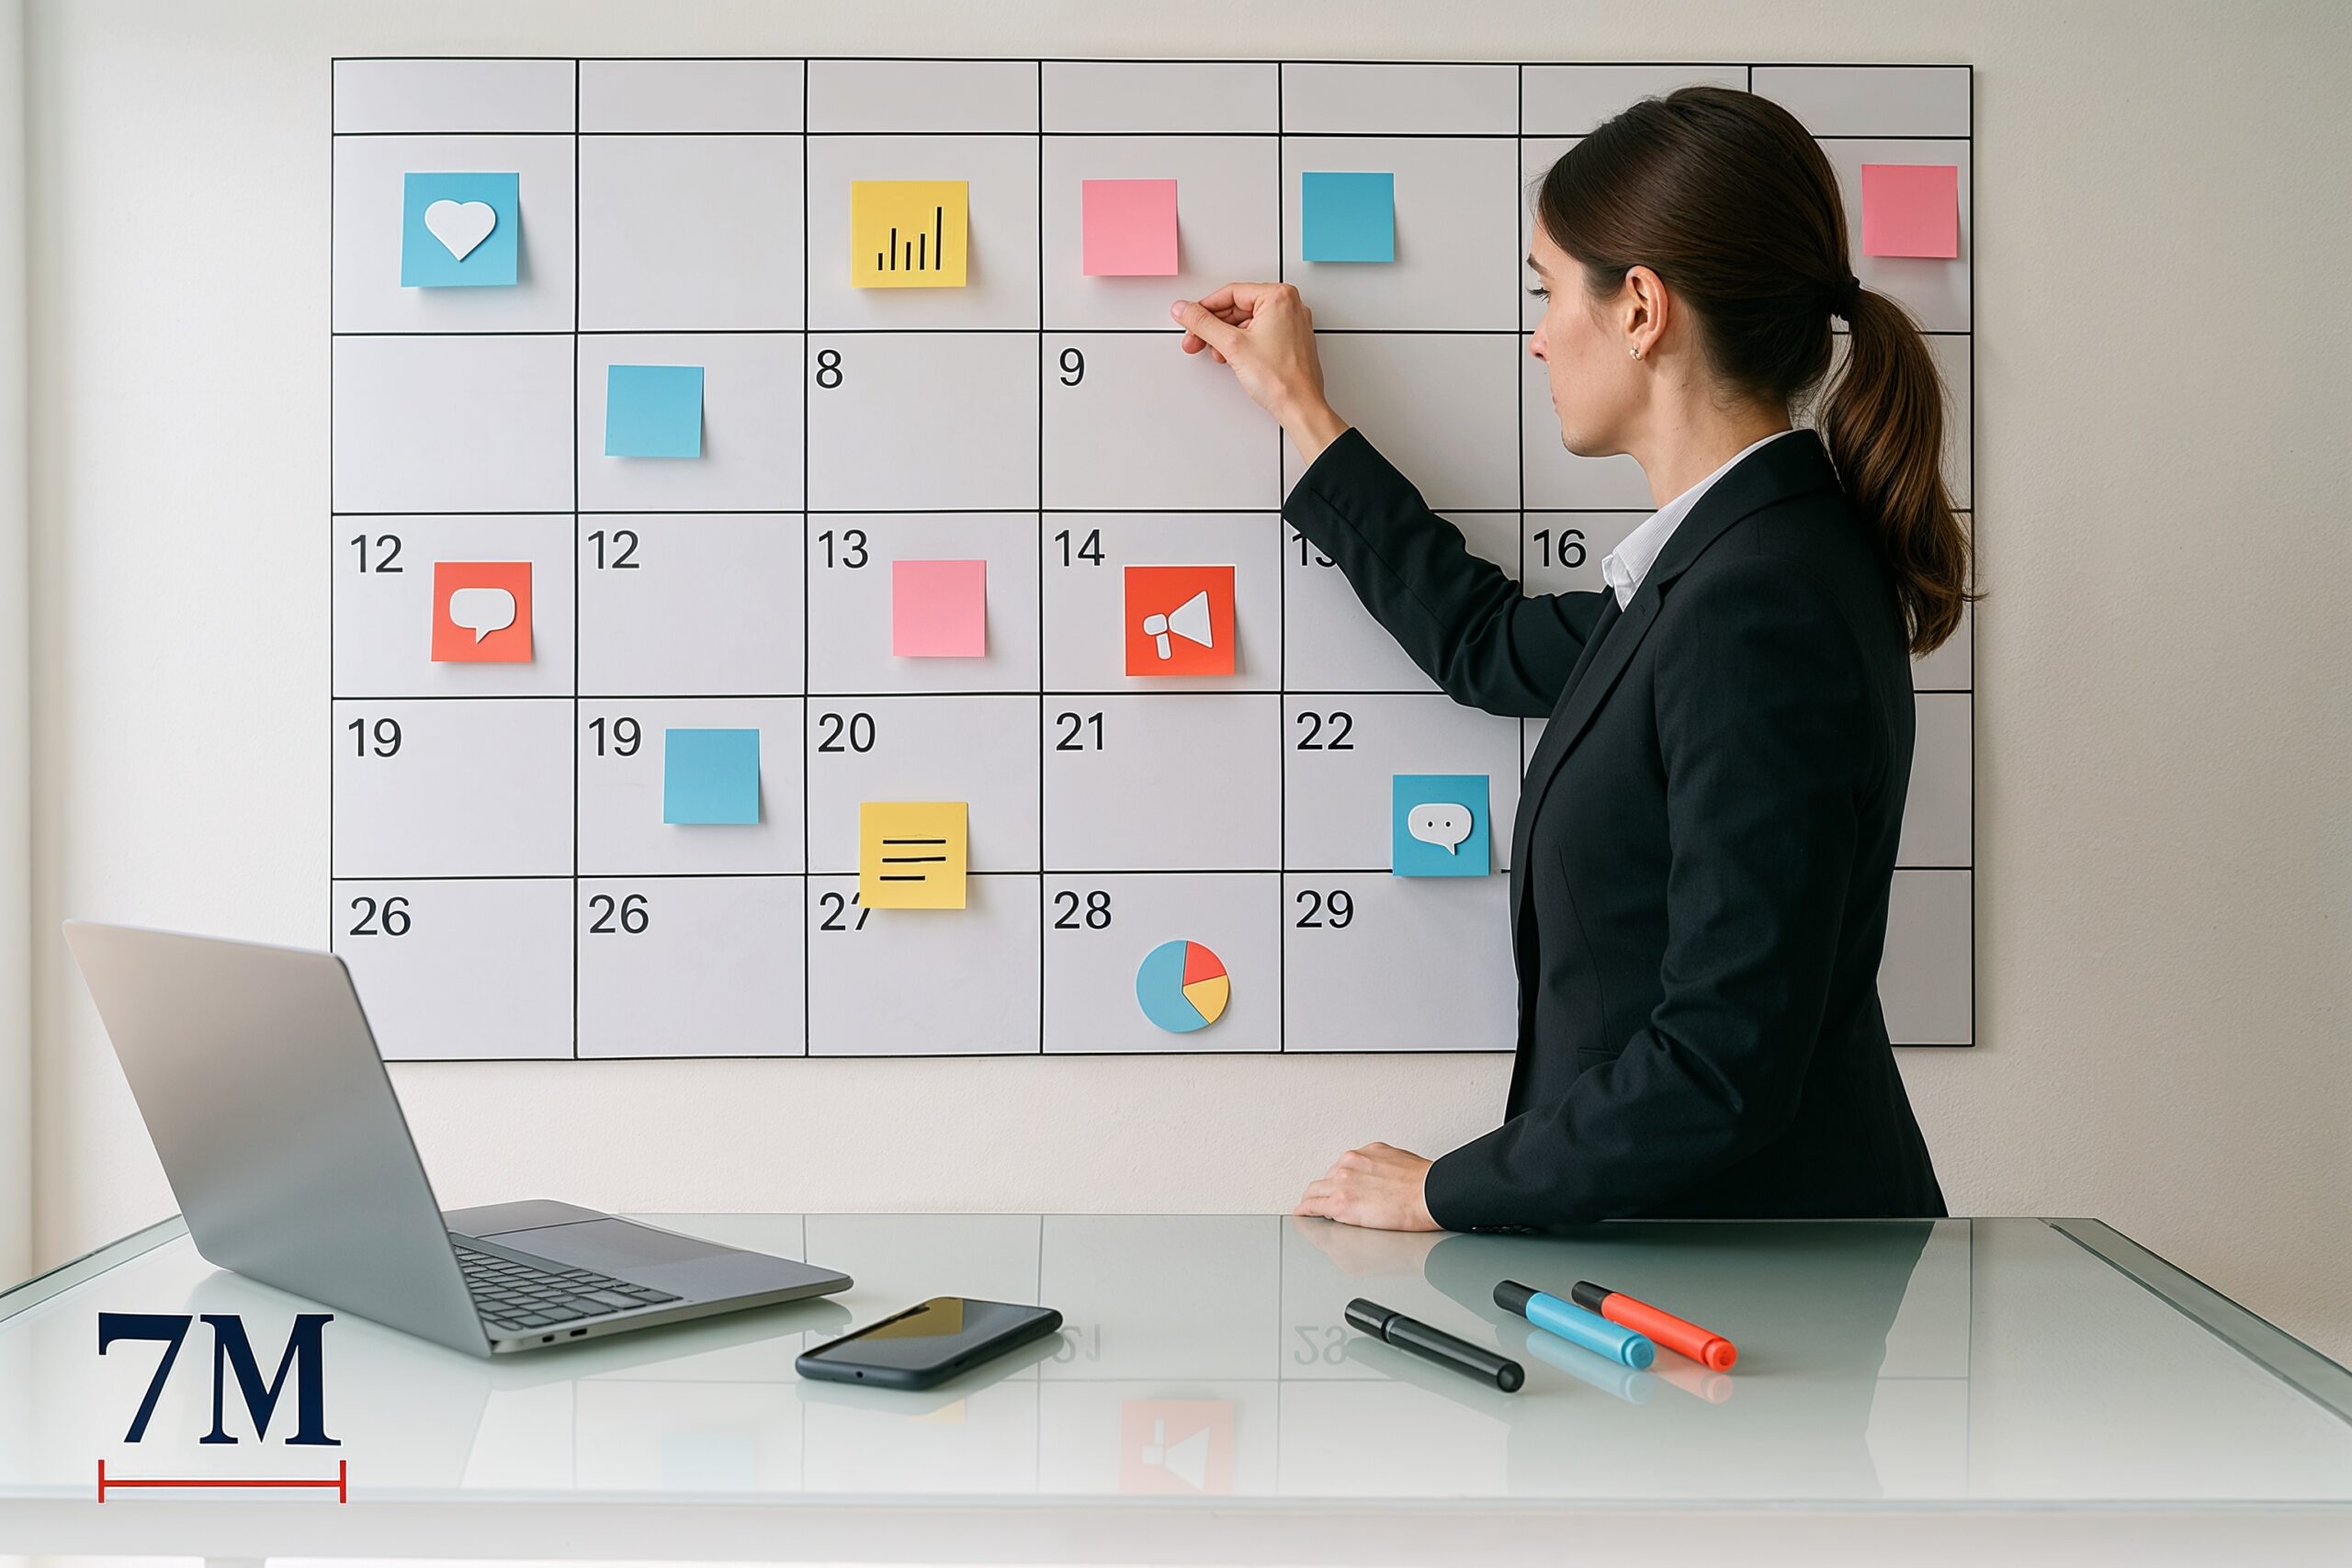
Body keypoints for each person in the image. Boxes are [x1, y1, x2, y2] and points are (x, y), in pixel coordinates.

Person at [1170, 85, 1965, 1233]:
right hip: (1718, 1261)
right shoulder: (1730, 564)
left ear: (1641, 308)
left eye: (1547, 290)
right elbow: (1488, 645)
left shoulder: (1757, 600)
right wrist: (1300, 407)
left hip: (1756, 1281)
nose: (1538, 333)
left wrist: (1446, 1190)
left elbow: (1721, 1063)